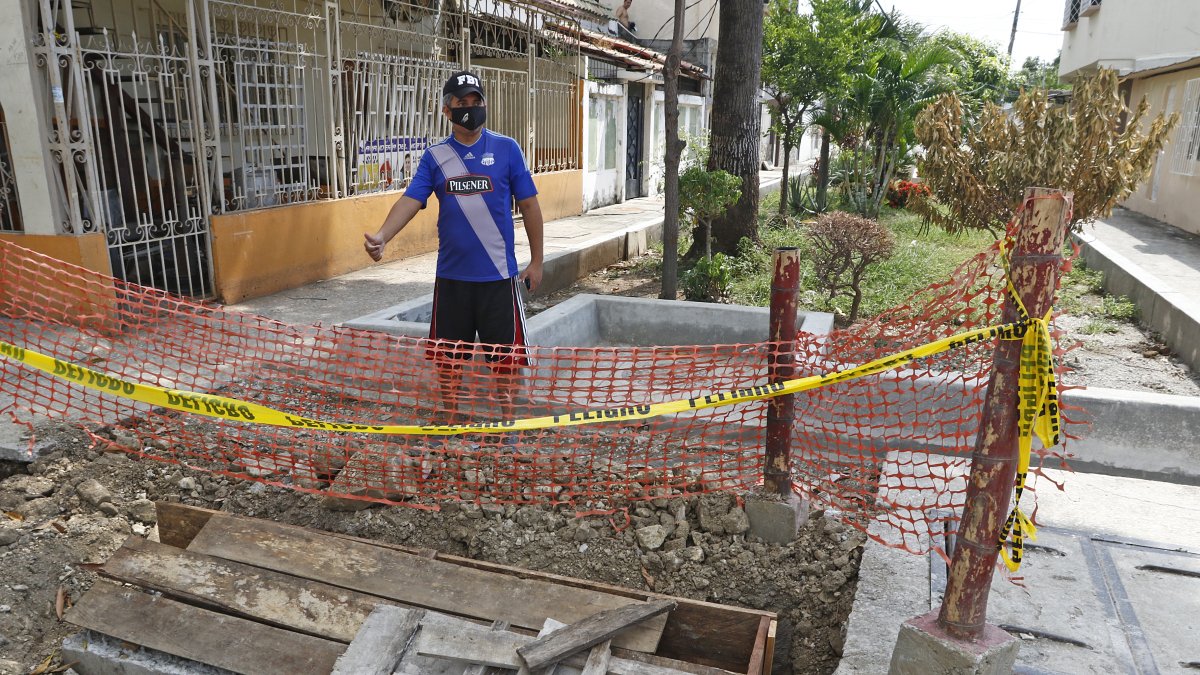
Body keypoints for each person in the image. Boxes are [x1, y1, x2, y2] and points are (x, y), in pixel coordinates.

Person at [364, 71, 544, 433]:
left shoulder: (507, 149)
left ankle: (507, 426)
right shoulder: (436, 157)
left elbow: (529, 205)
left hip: (498, 280)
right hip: (452, 282)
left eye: (476, 101)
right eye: (462, 103)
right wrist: (383, 235)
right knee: (448, 361)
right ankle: (449, 423)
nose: (471, 108)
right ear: (447, 111)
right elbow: (411, 200)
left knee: (506, 362)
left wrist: (537, 262)